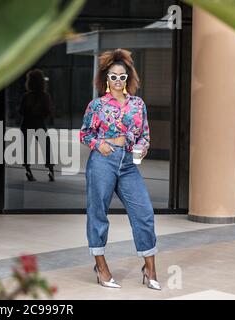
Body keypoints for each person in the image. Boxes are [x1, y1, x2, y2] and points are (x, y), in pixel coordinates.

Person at [79, 48, 160, 290]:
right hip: (103, 161)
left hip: (128, 163)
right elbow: (85, 133)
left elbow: (144, 134)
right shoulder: (97, 105)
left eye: (122, 76)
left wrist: (143, 148)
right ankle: (101, 266)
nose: (117, 81)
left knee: (144, 213)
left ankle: (150, 268)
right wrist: (100, 145)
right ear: (106, 78)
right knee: (98, 214)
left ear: (128, 78)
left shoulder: (138, 104)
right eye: (113, 76)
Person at [19, 69, 55, 182]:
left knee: (25, 147)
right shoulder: (45, 96)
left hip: (26, 123)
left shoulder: (26, 96)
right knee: (46, 146)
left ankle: (28, 170)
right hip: (39, 123)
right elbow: (48, 111)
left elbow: (20, 111)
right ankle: (50, 170)